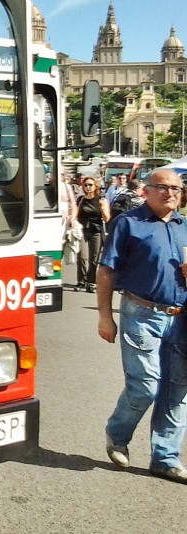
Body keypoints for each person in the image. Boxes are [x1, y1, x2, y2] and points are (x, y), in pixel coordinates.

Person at [97, 168, 187, 483]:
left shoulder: (184, 227)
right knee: (146, 385)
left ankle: (165, 458)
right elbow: (106, 271)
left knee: (177, 390)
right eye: (163, 187)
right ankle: (117, 433)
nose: (171, 193)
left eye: (176, 188)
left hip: (180, 318)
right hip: (141, 313)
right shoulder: (129, 224)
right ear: (147, 190)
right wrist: (105, 316)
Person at [75, 177, 110, 292]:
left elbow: (107, 218)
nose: (88, 187)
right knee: (82, 257)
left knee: (94, 258)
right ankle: (81, 281)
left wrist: (102, 208)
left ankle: (91, 282)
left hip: (96, 230)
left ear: (95, 186)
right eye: (85, 185)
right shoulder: (80, 199)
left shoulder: (101, 199)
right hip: (82, 230)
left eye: (90, 185)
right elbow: (75, 214)